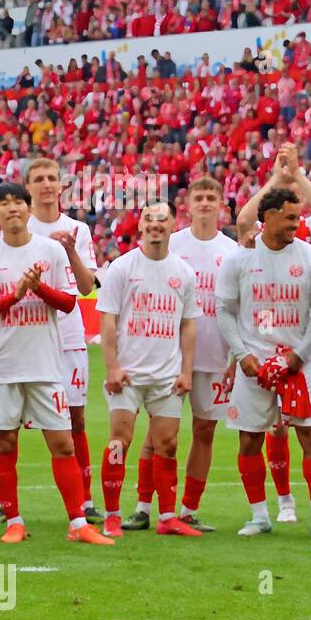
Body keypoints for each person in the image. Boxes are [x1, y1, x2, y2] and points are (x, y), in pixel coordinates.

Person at [0, 182, 106, 545]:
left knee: (63, 445)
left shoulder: (50, 251)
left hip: (46, 365)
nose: (12, 209)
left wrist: (38, 289)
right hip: (2, 366)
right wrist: (14, 296)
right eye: (4, 204)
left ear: (29, 210)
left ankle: (78, 523)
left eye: (18, 203)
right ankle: (13, 520)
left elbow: (70, 303)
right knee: (4, 443)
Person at [124, 177, 238, 532]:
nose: (205, 203)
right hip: (170, 358)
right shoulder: (172, 244)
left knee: (205, 431)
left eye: (211, 197)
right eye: (199, 197)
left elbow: (237, 308)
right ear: (188, 206)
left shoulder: (232, 251)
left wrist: (236, 356)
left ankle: (188, 509)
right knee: (155, 434)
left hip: (216, 355)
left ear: (222, 205)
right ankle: (143, 507)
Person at [216, 187, 311, 537]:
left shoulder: (310, 257)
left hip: (302, 362)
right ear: (268, 216)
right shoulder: (239, 260)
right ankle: (259, 516)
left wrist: (298, 354)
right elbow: (224, 311)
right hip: (254, 364)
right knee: (248, 440)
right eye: (290, 217)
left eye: (299, 216)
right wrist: (242, 355)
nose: (296, 223)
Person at [96, 203, 201, 538]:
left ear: (173, 225)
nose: (156, 225)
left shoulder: (183, 273)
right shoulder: (122, 268)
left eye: (162, 219)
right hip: (128, 375)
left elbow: (188, 326)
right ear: (140, 225)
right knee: (119, 441)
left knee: (167, 444)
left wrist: (186, 371)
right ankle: (112, 515)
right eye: (150, 219)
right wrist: (112, 367)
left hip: (167, 376)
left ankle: (167, 517)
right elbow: (108, 320)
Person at [23, 157, 102, 523]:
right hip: (28, 336)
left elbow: (87, 288)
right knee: (9, 424)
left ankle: (85, 500)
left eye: (52, 178)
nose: (46, 184)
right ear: (28, 188)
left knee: (76, 419)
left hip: (68, 337)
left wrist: (70, 249)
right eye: (38, 179)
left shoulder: (78, 230)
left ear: (61, 185)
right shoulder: (20, 227)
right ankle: (4, 505)